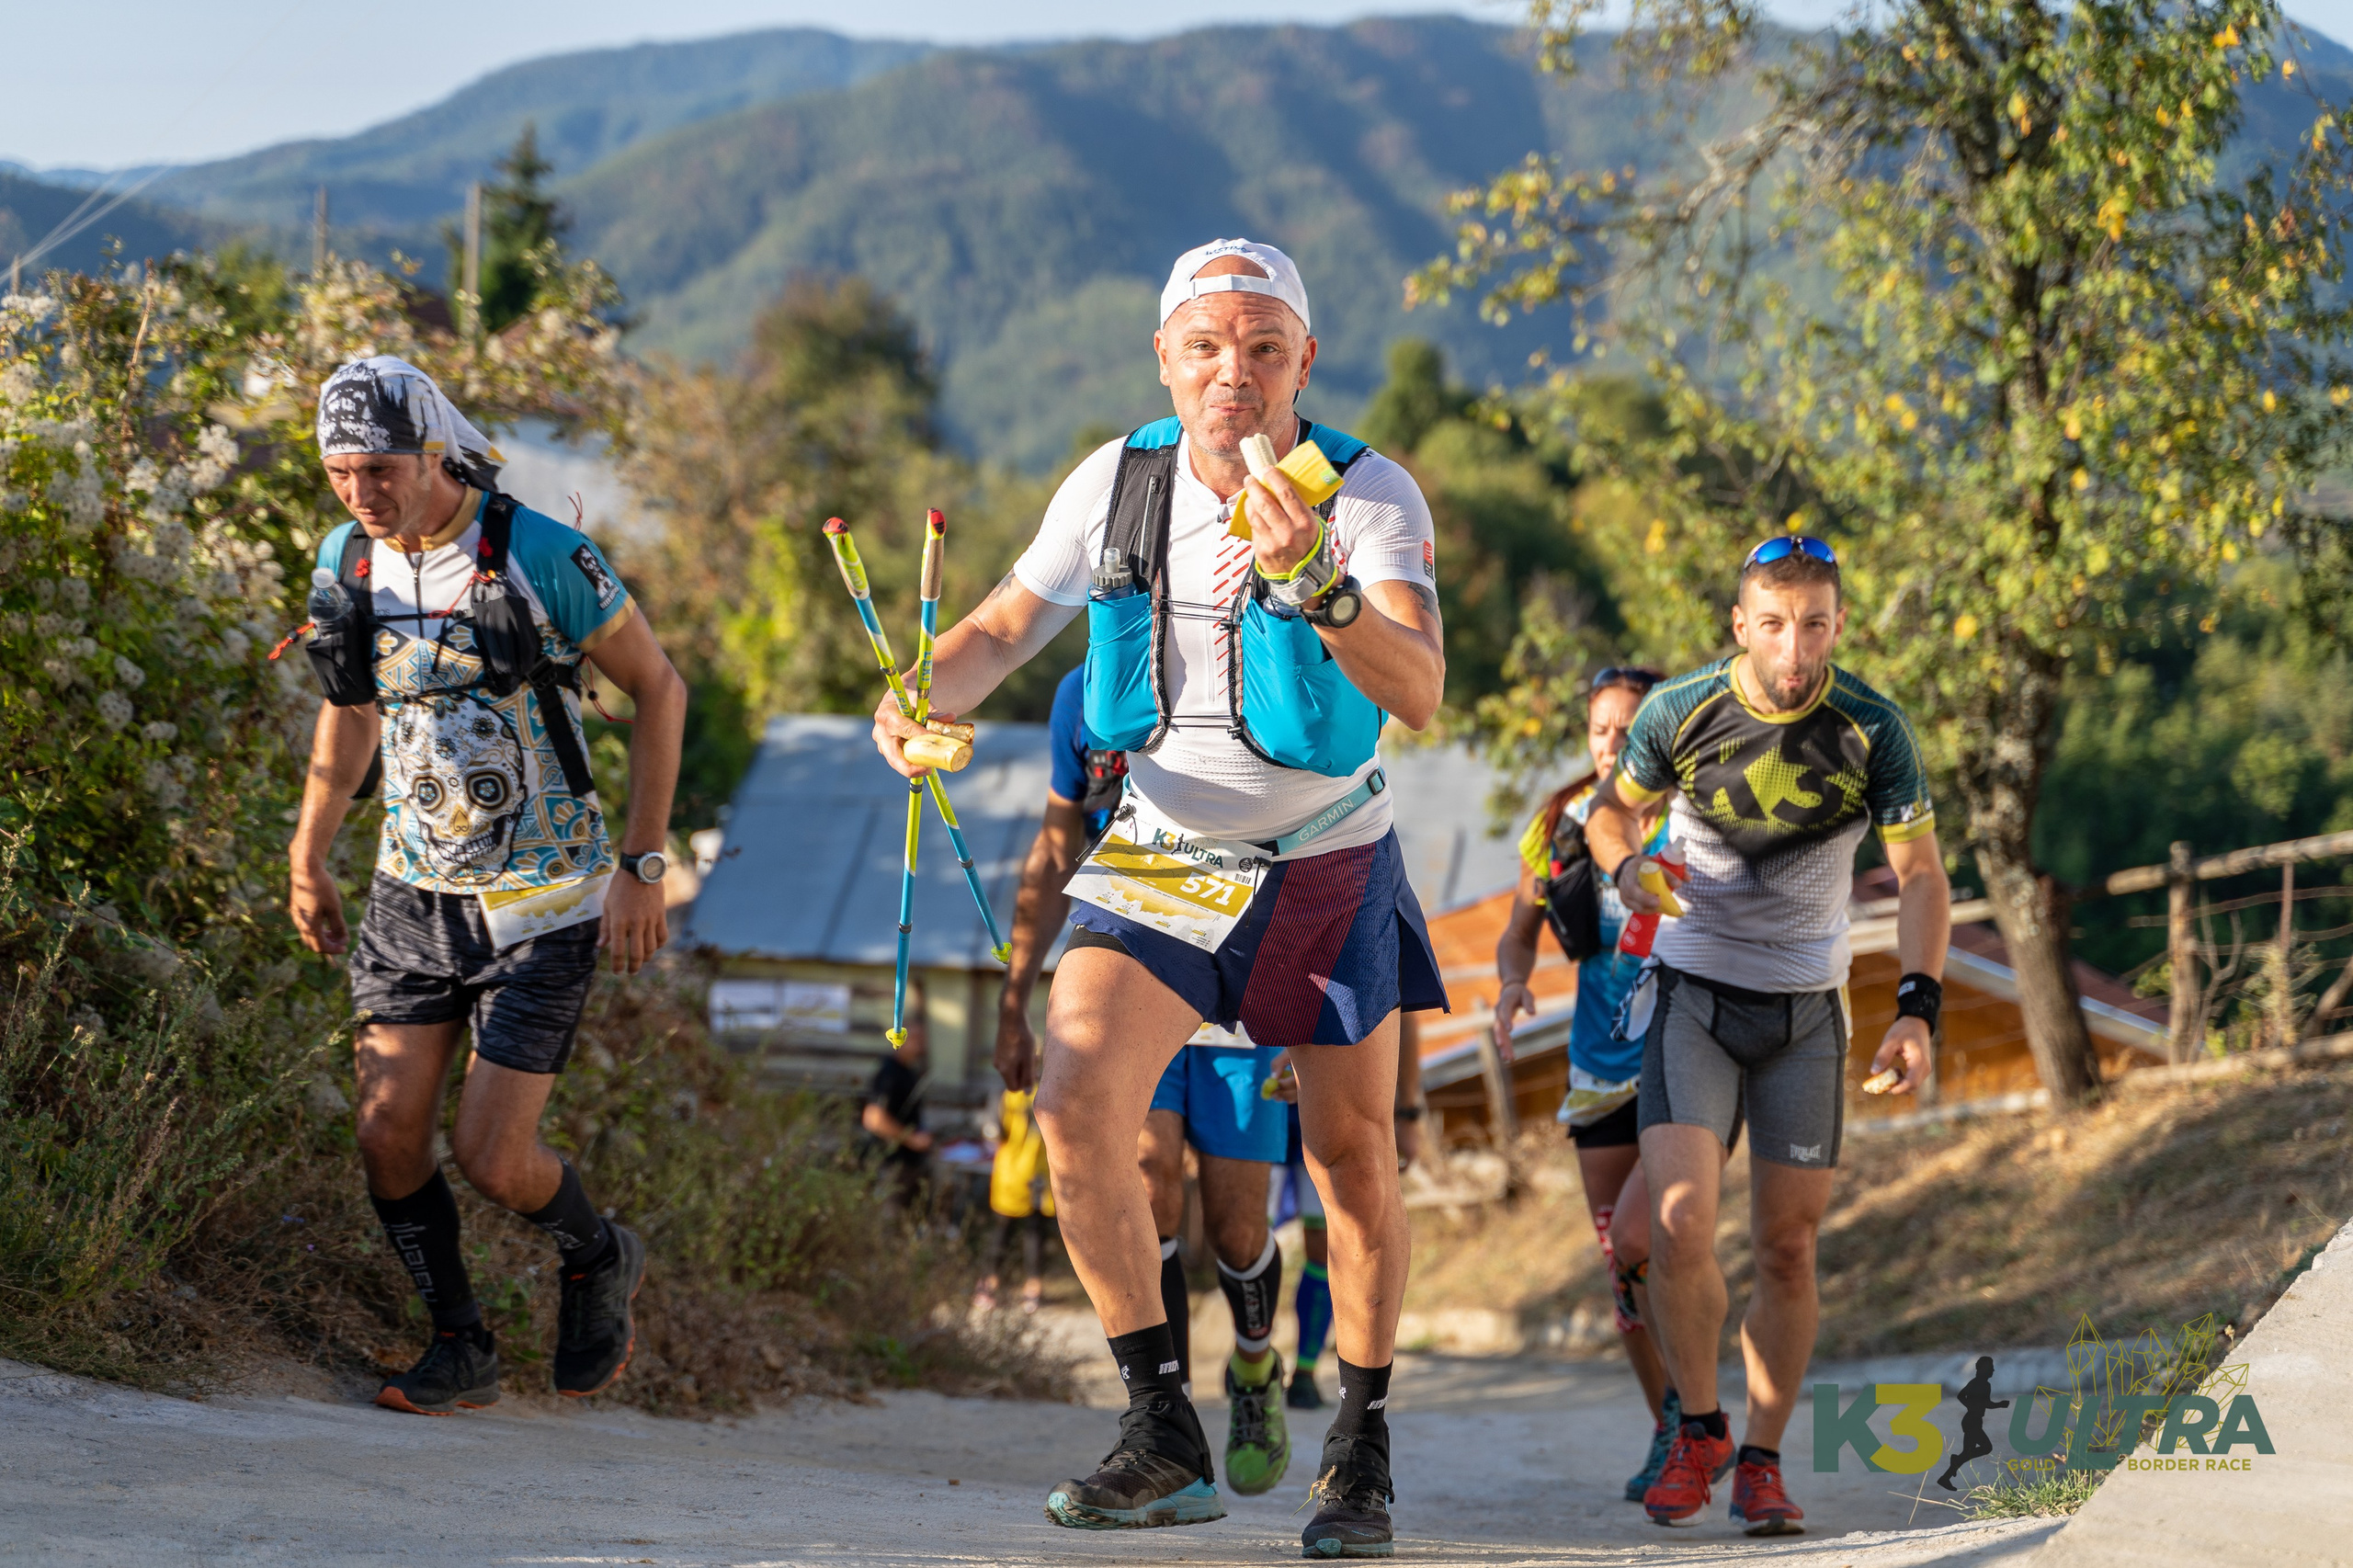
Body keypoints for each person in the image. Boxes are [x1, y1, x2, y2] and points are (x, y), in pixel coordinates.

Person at [873, 237, 1448, 1554]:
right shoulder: (1113, 479)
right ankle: (1159, 1426)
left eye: (1260, 347)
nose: (1230, 373)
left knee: (1351, 1158)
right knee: (1072, 1103)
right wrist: (911, 707)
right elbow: (1003, 630)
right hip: (1164, 849)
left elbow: (1414, 690)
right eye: (1205, 345)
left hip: (1323, 850)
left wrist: (1320, 583)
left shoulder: (1367, 493)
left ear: (1304, 358)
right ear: (1166, 358)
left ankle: (1358, 1448)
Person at [285, 357, 687, 1415]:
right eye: (339, 472)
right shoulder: (348, 561)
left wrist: (644, 864)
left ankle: (599, 1255)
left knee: (494, 1156)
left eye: (378, 468)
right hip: (410, 893)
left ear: (433, 453)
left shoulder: (538, 554)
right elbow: (351, 707)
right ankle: (459, 1340)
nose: (360, 493)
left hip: (544, 898)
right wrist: (309, 849)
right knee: (385, 1133)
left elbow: (659, 686)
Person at [1585, 535, 1948, 1535]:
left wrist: (1916, 1005)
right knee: (1680, 1222)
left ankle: (1760, 1460)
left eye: (1816, 623)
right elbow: (1610, 816)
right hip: (1693, 995)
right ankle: (1697, 1424)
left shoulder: (1874, 727)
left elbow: (1921, 875)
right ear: (1740, 625)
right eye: (1775, 624)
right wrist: (1624, 872)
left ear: (1838, 624)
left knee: (1787, 1247)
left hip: (1803, 1018)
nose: (1796, 648)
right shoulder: (1683, 710)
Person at [996, 666, 1297, 1495]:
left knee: (1238, 1228)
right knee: (1148, 1173)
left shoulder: (1238, 663)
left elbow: (1317, 832)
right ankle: (1167, 1409)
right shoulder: (1078, 695)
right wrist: (1014, 994)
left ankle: (1253, 1364)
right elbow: (1057, 844)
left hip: (1240, 976)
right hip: (1130, 968)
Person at [1492, 665, 1687, 1501]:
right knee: (1624, 1270)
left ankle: (1702, 1417)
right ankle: (1670, 1426)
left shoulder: (1695, 813)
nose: (1612, 742)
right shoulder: (1559, 823)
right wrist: (1511, 982)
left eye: (1629, 726)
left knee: (1659, 1241)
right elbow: (1518, 930)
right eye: (1600, 728)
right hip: (1598, 1064)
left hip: (1685, 1056)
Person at [1267, 1015, 1425, 1411]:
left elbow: (1404, 1011)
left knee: (1329, 1240)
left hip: (1327, 1085)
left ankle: (1304, 1371)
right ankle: (1253, 1360)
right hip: (1255, 1082)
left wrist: (1407, 1110)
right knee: (1246, 1237)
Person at [976, 1081, 1054, 1314]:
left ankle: (1028, 1288)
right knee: (1010, 1232)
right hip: (1019, 1174)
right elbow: (993, 1130)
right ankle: (995, 1284)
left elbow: (992, 1133)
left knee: (1030, 1233)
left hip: (1033, 1173)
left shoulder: (1009, 1090)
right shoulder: (1006, 1093)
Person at [862, 983, 934, 1211]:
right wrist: (911, 1139)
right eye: (915, 1039)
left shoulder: (908, 1071)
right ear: (900, 1038)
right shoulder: (889, 1073)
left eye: (922, 1039)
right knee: (887, 1223)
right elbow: (874, 1118)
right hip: (891, 1163)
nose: (921, 1045)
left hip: (907, 1164)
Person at [1936, 1356, 2007, 1492]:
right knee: (1986, 1447)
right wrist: (1998, 1405)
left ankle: (1946, 1477)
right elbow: (1964, 1397)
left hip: (1973, 1420)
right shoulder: (1981, 1384)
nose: (1993, 1370)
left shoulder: (1981, 1383)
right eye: (1990, 1368)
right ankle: (1953, 1465)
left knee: (1967, 1452)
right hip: (1971, 1421)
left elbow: (1976, 1401)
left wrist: (1991, 1405)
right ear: (1983, 1369)